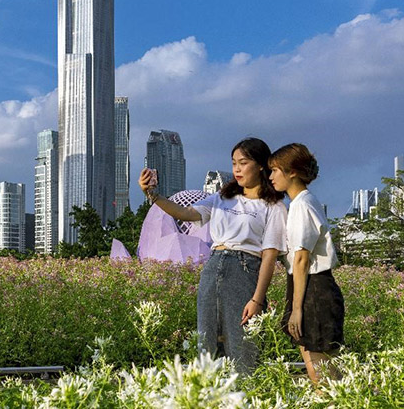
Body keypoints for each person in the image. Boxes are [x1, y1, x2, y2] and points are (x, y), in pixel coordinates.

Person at [139, 137, 287, 373]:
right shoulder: (222, 198)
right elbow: (185, 213)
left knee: (243, 345)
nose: (237, 169)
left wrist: (258, 299)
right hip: (213, 267)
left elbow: (269, 257)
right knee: (206, 344)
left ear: (261, 165)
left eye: (244, 162)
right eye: (234, 163)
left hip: (246, 269)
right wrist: (153, 195)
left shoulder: (273, 207)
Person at [269, 143, 343, 384]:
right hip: (308, 287)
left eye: (275, 170)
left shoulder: (301, 205)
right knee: (319, 368)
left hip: (313, 288)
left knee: (323, 374)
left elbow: (301, 259)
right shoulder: (302, 203)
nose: (270, 177)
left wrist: (297, 309)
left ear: (292, 172)